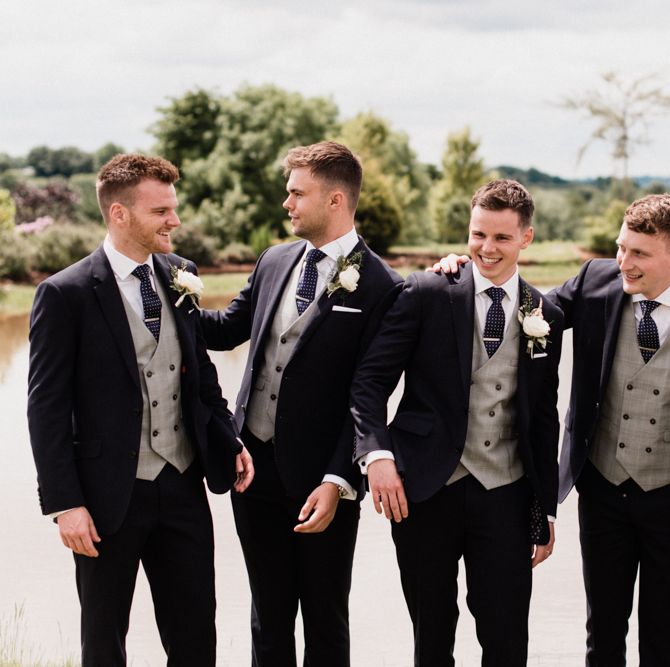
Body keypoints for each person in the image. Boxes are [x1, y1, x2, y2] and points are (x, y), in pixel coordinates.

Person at [436, 193, 670, 666]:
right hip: (604, 488)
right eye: (621, 247)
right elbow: (526, 311)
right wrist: (464, 273)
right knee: (603, 628)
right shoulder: (597, 282)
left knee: (665, 630)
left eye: (639, 254)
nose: (623, 263)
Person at [27, 153, 253, 667]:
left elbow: (199, 370)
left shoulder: (181, 275)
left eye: (173, 208)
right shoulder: (65, 294)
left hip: (182, 485)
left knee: (196, 634)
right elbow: (45, 408)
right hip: (107, 497)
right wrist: (65, 504)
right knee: (105, 641)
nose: (175, 220)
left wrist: (227, 437)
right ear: (119, 214)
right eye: (161, 212)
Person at [199, 141, 403, 666]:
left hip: (323, 483)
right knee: (267, 615)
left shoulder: (384, 286)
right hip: (252, 469)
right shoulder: (275, 259)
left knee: (325, 618)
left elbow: (368, 396)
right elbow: (225, 331)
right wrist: (159, 288)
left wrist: (339, 481)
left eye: (296, 193)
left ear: (336, 200)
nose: (286, 203)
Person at [349, 179, 563, 666]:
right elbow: (369, 383)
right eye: (478, 235)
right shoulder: (427, 292)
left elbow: (544, 418)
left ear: (526, 238)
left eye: (502, 238)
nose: (487, 248)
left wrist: (544, 509)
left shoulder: (545, 313)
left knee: (507, 638)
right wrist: (376, 456)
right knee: (432, 635)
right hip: (425, 489)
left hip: (506, 494)